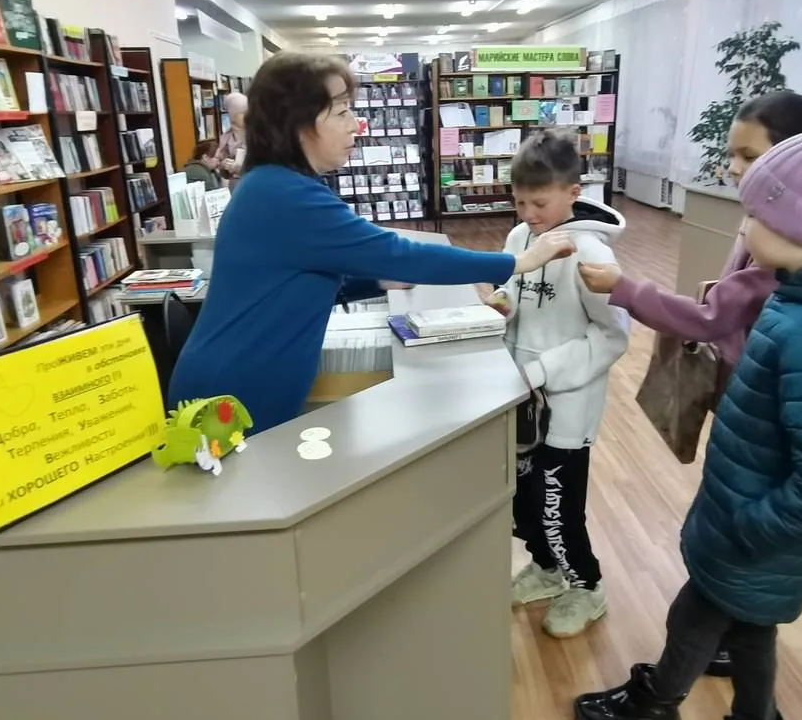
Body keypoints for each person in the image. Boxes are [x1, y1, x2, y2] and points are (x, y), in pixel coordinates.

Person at [573, 124, 802, 720]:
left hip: (753, 533)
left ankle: (653, 704)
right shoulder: (797, 301)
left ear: (798, 224)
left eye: (753, 216)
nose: (743, 229)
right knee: (750, 631)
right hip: (745, 512)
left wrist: (750, 529)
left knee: (694, 618)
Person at [168, 53, 575, 435]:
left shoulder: (277, 184)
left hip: (238, 383)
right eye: (342, 111)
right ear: (298, 123)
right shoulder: (286, 195)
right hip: (231, 397)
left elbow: (295, 279)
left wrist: (376, 282)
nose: (356, 124)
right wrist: (516, 262)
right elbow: (401, 255)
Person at [577, 90, 802, 678]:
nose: (734, 169)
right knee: (731, 526)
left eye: (749, 156)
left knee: (733, 541)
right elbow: (731, 301)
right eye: (733, 154)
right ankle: (735, 644)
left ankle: (701, 660)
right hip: (741, 397)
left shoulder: (788, 249)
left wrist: (626, 288)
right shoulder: (767, 225)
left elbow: (716, 317)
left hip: (758, 405)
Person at [485, 130, 630, 639]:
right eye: (519, 202)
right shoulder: (520, 238)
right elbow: (513, 289)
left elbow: (612, 335)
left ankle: (587, 586)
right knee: (522, 500)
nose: (528, 213)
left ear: (573, 192)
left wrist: (543, 370)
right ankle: (546, 569)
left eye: (539, 203)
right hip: (518, 397)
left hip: (565, 405)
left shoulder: (592, 256)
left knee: (557, 507)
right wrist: (501, 304)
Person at [216, 92, 248, 184]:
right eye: (242, 113)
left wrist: (241, 167)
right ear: (233, 116)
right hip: (235, 184)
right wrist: (224, 165)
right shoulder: (226, 137)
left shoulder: (257, 134)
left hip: (253, 181)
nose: (247, 116)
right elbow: (221, 169)